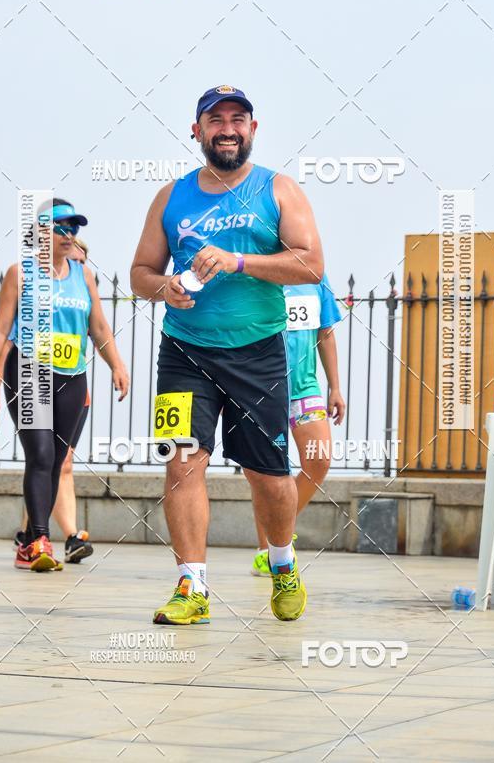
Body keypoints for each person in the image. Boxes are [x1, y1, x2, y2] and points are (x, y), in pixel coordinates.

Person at [130, 85, 324, 625]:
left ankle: (283, 565)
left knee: (269, 474)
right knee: (182, 463)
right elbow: (139, 272)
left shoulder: (278, 190)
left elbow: (311, 265)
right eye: (216, 120)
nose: (228, 128)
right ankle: (192, 587)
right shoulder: (172, 197)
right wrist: (163, 286)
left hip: (258, 354)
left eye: (239, 119)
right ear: (197, 132)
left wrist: (240, 261)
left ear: (253, 130)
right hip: (185, 352)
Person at [0, 199, 129, 571]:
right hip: (28, 372)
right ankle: (40, 539)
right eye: (61, 227)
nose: (69, 235)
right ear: (40, 232)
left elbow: (99, 327)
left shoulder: (83, 275)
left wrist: (117, 364)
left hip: (73, 376)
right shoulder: (21, 274)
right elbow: (0, 330)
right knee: (41, 455)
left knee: (58, 460)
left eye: (74, 228)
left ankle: (29, 542)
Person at [251, 273, 346, 575]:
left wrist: (335, 387)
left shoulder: (314, 274)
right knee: (266, 473)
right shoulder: (256, 268)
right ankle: (267, 552)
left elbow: (326, 332)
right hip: (261, 389)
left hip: (305, 388)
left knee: (319, 460)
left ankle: (278, 532)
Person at [7, 237, 95, 563]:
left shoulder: (82, 289)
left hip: (73, 387)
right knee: (50, 460)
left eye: (83, 261)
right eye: (74, 256)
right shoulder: (32, 285)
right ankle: (63, 535)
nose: (77, 265)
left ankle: (31, 534)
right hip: (34, 379)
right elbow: (10, 331)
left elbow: (92, 335)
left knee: (53, 461)